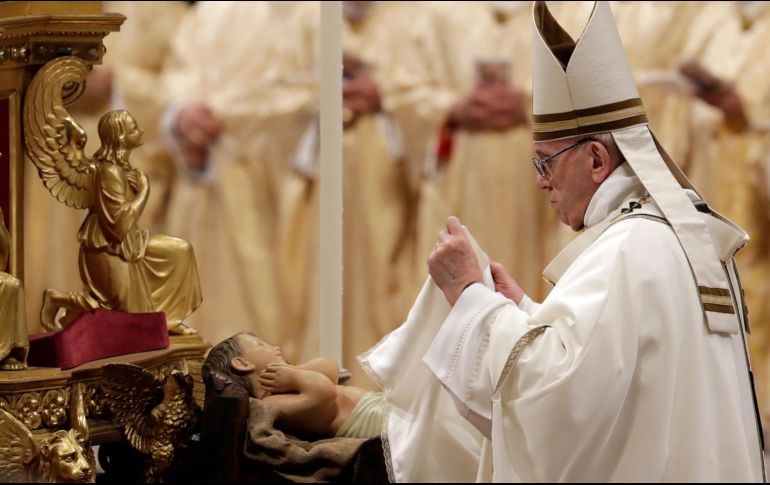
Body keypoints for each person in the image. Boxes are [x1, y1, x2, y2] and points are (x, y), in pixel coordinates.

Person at [361, 1, 764, 482]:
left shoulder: (626, 250)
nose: (540, 182)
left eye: (545, 161)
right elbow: (608, 371)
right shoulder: (666, 234)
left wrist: (470, 299)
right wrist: (521, 311)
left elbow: (552, 407)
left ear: (596, 160)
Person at [39, 110, 202, 335]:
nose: (140, 131)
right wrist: (143, 192)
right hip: (106, 248)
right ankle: (60, 299)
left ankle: (170, 319)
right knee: (124, 314)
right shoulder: (110, 173)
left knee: (181, 251)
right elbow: (118, 226)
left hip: (129, 243)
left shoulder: (122, 168)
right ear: (121, 137)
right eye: (134, 129)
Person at [202, 332, 383, 440]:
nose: (275, 347)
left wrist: (294, 370)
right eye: (262, 345)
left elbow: (331, 369)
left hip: (378, 405)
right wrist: (295, 376)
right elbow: (326, 392)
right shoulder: (270, 403)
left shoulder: (290, 381)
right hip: (369, 423)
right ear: (242, 363)